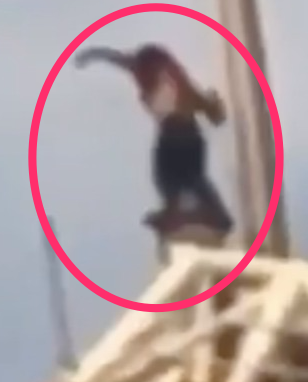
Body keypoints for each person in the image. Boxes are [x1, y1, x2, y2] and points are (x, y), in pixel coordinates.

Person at [74, 43, 234, 237]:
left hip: (181, 135)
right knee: (176, 178)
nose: (138, 81)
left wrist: (210, 108)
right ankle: (194, 211)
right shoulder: (146, 69)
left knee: (177, 175)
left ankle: (206, 214)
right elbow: (118, 59)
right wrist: (92, 55)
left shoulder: (170, 80)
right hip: (182, 136)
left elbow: (191, 95)